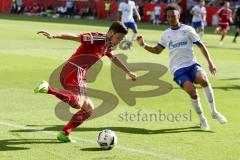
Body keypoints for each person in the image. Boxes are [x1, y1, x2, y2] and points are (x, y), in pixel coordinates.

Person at [34, 21, 137, 142]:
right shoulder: (97, 37)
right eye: (118, 37)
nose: (119, 41)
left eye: (121, 39)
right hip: (73, 70)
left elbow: (113, 58)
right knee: (79, 102)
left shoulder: (107, 45)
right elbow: (76, 37)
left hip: (78, 74)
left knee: (87, 109)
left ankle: (65, 132)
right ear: (110, 33)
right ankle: (48, 88)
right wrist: (54, 35)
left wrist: (128, 71)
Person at [136, 3, 227, 131]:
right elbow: (157, 50)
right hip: (177, 69)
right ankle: (202, 119)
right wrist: (143, 44)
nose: (170, 18)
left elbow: (201, 46)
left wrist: (210, 62)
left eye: (173, 16)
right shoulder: (165, 34)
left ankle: (214, 112)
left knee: (204, 80)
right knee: (193, 92)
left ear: (178, 16)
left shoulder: (188, 30)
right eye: (168, 16)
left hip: (192, 64)